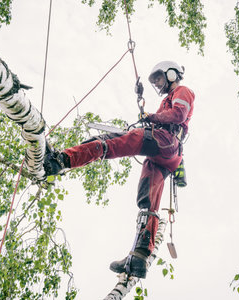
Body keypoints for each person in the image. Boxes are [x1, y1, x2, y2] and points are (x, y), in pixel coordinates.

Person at [43, 61, 195, 278]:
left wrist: (150, 117)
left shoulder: (182, 91)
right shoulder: (166, 100)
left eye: (160, 79)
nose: (158, 84)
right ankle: (140, 256)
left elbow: (179, 115)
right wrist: (150, 116)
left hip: (164, 140)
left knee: (110, 142)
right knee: (148, 200)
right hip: (166, 153)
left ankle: (61, 160)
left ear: (172, 74)